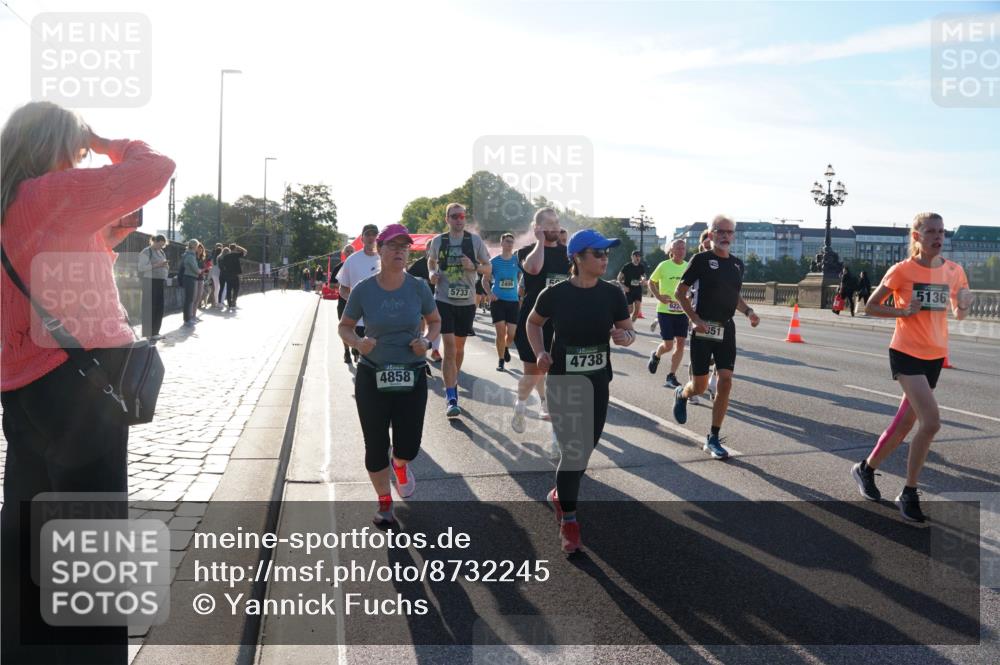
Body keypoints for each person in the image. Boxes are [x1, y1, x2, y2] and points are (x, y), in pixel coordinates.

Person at [0, 101, 174, 665]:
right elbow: (156, 168)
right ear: (57, 146)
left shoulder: (10, 205)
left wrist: (102, 235)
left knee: (28, 530)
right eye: (74, 151)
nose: (80, 159)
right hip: (78, 385)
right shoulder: (53, 192)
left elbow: (45, 268)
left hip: (20, 388)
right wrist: (106, 142)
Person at [851, 212, 972, 522]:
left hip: (934, 357)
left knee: (905, 423)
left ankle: (866, 468)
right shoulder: (902, 271)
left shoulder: (954, 271)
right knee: (930, 423)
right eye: (931, 231)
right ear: (916, 236)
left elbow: (958, 313)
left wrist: (965, 304)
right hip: (905, 353)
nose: (938, 236)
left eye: (942, 231)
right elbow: (871, 306)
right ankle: (909, 492)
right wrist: (904, 311)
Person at [529, 229, 635, 554]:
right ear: (577, 257)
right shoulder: (555, 294)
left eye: (606, 254)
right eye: (598, 254)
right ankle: (570, 521)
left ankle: (562, 494)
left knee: (584, 450)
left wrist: (624, 338)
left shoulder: (613, 293)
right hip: (562, 381)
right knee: (574, 452)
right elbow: (534, 322)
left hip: (598, 381)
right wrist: (539, 352)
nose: (605, 259)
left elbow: (628, 330)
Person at [339, 224, 441, 525]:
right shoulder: (364, 289)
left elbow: (434, 320)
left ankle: (400, 464)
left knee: (408, 445)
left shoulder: (419, 287)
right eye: (393, 246)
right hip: (373, 374)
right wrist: (358, 342)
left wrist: (426, 341)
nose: (399, 251)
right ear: (379, 250)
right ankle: (384, 502)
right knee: (375, 444)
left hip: (411, 375)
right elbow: (344, 326)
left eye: (404, 246)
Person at [672, 215, 760, 459]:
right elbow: (680, 293)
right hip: (702, 329)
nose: (725, 236)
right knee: (699, 387)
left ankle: (712, 436)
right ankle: (682, 393)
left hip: (726, 328)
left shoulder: (737, 264)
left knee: (726, 380)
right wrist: (694, 319)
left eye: (729, 232)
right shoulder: (700, 260)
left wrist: (749, 311)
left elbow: (735, 297)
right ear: (710, 235)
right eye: (720, 231)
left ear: (733, 236)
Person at [427, 203, 492, 418]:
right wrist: (432, 273)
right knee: (450, 346)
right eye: (454, 216)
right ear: (447, 219)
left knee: (459, 348)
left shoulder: (473, 241)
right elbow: (431, 260)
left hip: (466, 302)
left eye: (462, 216)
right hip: (444, 299)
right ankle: (451, 395)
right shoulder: (439, 241)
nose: (458, 219)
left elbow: (487, 267)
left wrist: (473, 266)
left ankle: (453, 381)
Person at [512, 207, 569, 432]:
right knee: (533, 372)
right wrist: (540, 241)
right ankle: (521, 403)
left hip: (560, 324)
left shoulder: (568, 254)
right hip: (532, 323)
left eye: (557, 223)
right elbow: (534, 268)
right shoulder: (526, 251)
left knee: (556, 374)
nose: (555, 227)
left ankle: (549, 411)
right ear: (538, 228)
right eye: (550, 224)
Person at [647, 238, 690, 387]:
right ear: (671, 251)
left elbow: (693, 286)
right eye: (677, 248)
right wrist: (658, 296)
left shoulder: (688, 267)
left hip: (683, 311)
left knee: (681, 344)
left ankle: (671, 376)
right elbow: (651, 282)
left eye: (683, 248)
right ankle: (656, 354)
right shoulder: (664, 265)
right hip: (665, 311)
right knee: (669, 345)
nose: (680, 251)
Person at [338, 225, 381, 364]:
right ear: (362, 238)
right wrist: (355, 303)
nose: (371, 238)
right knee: (366, 361)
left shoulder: (385, 258)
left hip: (383, 318)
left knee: (380, 359)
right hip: (361, 321)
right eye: (368, 235)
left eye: (374, 235)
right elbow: (343, 288)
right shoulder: (352, 260)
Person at [687, 229, 717, 406]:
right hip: (698, 317)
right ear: (701, 245)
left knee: (716, 358)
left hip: (718, 319)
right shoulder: (696, 263)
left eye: (711, 245)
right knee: (699, 359)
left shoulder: (725, 264)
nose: (709, 248)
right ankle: (691, 389)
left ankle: (713, 383)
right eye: (706, 244)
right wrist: (691, 317)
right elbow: (682, 291)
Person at [487, 232, 522, 371]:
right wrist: (490, 294)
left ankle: (506, 347)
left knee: (511, 334)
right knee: (500, 333)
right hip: (498, 301)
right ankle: (501, 360)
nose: (509, 244)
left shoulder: (517, 261)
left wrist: (521, 290)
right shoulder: (494, 262)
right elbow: (485, 280)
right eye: (507, 241)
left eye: (511, 242)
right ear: (501, 243)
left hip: (513, 301)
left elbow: (522, 276)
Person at [407, 252, 442, 365]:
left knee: (436, 322)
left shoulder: (444, 261)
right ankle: (421, 341)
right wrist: (423, 281)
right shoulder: (419, 263)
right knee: (422, 321)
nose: (433, 251)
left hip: (439, 296)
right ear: (427, 250)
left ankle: (435, 350)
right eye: (430, 248)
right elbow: (409, 276)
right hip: (421, 297)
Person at [138, 234, 169, 340]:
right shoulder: (146, 251)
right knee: (149, 307)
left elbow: (162, 264)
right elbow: (141, 268)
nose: (161, 247)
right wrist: (158, 265)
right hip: (149, 281)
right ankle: (148, 333)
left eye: (163, 245)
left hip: (160, 281)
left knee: (159, 307)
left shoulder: (161, 252)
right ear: (154, 241)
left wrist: (165, 266)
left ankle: (155, 332)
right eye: (159, 245)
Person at [617, 250, 647, 322]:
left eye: (639, 256)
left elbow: (643, 276)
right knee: (630, 310)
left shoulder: (641, 266)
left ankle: (631, 327)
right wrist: (623, 287)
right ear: (632, 257)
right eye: (636, 256)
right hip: (629, 290)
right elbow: (618, 278)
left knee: (637, 311)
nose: (638, 258)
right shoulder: (627, 266)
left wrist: (643, 279)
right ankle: (619, 320)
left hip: (637, 290)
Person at [180, 239, 200, 327]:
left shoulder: (187, 254)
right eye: (197, 246)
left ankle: (187, 319)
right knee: (189, 299)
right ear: (195, 246)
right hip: (190, 278)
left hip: (187, 278)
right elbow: (195, 269)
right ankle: (187, 319)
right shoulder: (190, 256)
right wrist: (199, 270)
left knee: (188, 299)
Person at [220, 243, 246, 309]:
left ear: (229, 248)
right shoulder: (236, 255)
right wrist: (239, 247)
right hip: (235, 275)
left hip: (228, 275)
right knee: (236, 290)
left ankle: (229, 304)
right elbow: (245, 251)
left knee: (229, 290)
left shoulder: (225, 256)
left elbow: (223, 266)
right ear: (235, 248)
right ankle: (233, 303)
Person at [207, 243, 223, 308]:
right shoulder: (219, 256)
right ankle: (216, 302)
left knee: (215, 288)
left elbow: (209, 262)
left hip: (213, 273)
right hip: (218, 273)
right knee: (217, 288)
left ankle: (215, 302)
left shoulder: (212, 255)